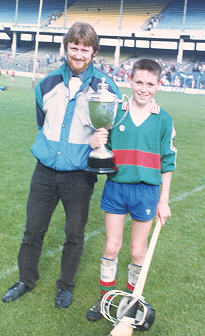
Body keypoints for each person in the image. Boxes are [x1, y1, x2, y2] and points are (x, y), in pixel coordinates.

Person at [2, 21, 120, 308]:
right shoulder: (47, 83)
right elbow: (42, 122)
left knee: (74, 234)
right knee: (33, 230)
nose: (78, 54)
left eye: (85, 49)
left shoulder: (105, 88)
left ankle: (65, 285)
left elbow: (112, 129)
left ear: (94, 53)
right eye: (74, 47)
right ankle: (25, 279)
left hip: (79, 175)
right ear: (66, 48)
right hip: (44, 171)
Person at [86, 58, 177, 321]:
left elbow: (168, 162)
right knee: (111, 246)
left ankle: (129, 300)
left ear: (159, 85)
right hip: (116, 188)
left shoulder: (164, 119)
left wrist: (164, 200)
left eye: (150, 84)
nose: (143, 88)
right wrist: (95, 141)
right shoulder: (116, 113)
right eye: (139, 82)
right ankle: (105, 298)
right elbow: (104, 149)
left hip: (146, 192)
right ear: (130, 80)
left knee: (138, 251)